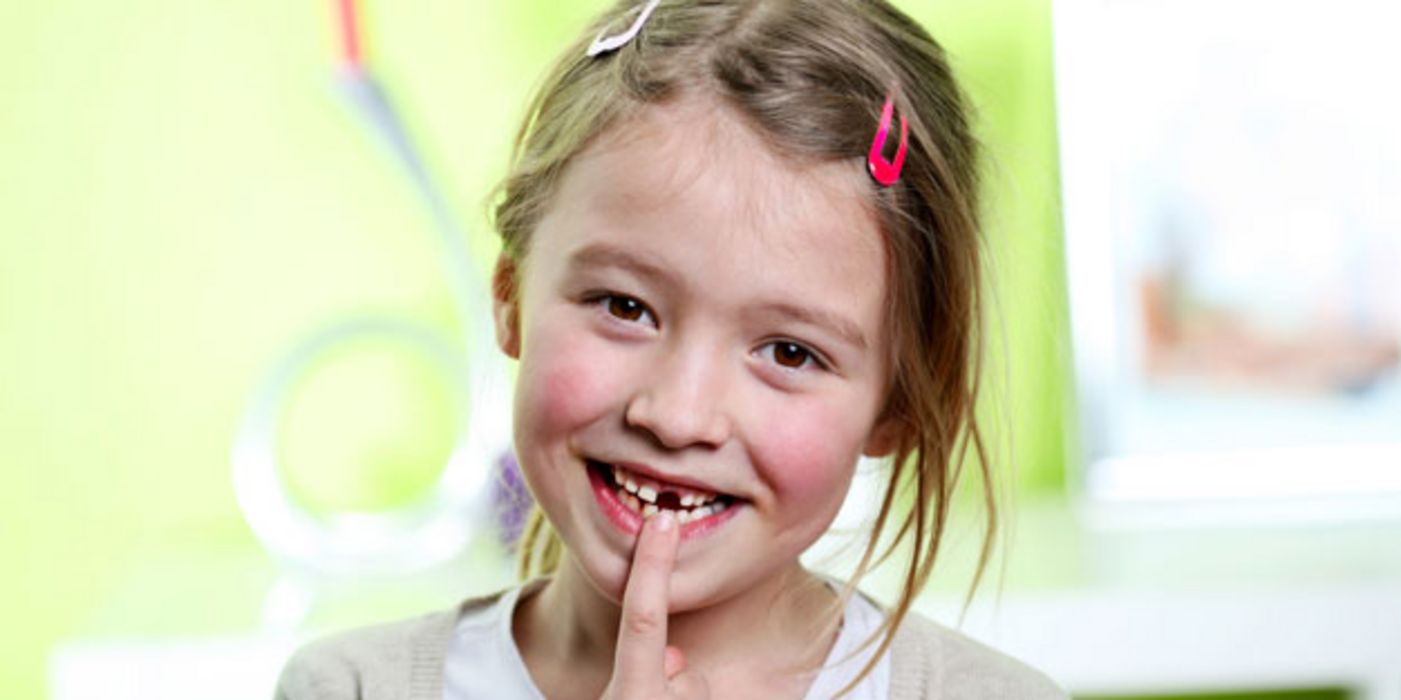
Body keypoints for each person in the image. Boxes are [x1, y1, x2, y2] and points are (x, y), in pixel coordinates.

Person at [275, 0, 1067, 698]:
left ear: (896, 401)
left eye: (789, 353)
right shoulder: (345, 689)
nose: (679, 417)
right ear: (509, 300)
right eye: (624, 307)